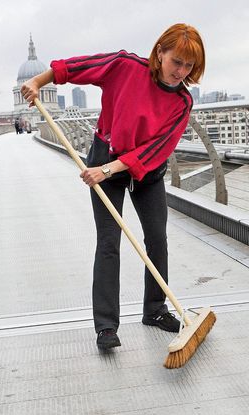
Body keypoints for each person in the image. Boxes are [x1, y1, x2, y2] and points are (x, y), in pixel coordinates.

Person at [21, 24, 205, 350]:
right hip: (105, 154)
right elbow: (75, 68)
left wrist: (107, 171)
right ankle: (106, 326)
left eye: (189, 66)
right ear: (160, 52)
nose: (181, 71)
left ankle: (155, 309)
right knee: (109, 242)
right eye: (177, 61)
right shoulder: (125, 67)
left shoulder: (181, 103)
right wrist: (37, 81)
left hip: (144, 171)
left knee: (157, 239)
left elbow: (154, 150)